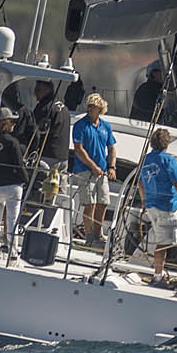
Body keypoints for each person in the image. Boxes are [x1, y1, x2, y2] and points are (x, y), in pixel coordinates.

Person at [136, 128, 177, 285]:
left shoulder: (145, 159)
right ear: (167, 143)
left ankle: (160, 271)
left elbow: (140, 183)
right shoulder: (169, 160)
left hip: (151, 206)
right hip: (166, 207)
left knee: (161, 239)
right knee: (163, 244)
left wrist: (144, 202)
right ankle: (158, 276)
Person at [70, 93, 117, 244]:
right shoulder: (80, 125)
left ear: (100, 108)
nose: (89, 109)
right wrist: (93, 166)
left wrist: (112, 167)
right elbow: (78, 149)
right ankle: (89, 236)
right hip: (84, 170)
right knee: (89, 203)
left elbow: (111, 149)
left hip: (102, 171)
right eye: (88, 106)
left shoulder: (105, 126)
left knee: (103, 202)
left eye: (93, 106)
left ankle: (98, 234)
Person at [0, 102, 29, 260]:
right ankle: (13, 255)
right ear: (5, 123)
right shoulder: (12, 142)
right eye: (12, 122)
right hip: (12, 187)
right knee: (12, 221)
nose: (14, 125)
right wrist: (27, 182)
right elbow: (18, 165)